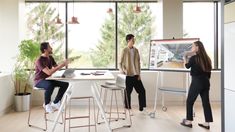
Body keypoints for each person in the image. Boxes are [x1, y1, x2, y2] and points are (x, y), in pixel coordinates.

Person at [180, 41, 213, 129]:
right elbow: (209, 72)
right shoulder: (207, 58)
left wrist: (185, 56)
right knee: (206, 102)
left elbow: (187, 66)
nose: (192, 48)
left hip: (197, 82)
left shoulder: (194, 58)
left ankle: (188, 121)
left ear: (197, 47)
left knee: (189, 101)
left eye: (193, 46)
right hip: (206, 82)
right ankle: (207, 123)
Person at [34, 42, 70, 113]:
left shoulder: (50, 57)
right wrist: (61, 65)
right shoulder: (39, 60)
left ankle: (56, 102)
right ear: (45, 50)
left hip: (48, 80)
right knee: (50, 85)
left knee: (65, 84)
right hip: (39, 81)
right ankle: (47, 104)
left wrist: (63, 64)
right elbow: (49, 72)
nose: (51, 48)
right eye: (50, 47)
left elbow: (56, 68)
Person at [119, 34, 147, 114]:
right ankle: (127, 109)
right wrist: (122, 71)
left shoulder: (136, 50)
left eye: (134, 40)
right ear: (128, 40)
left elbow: (138, 62)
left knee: (142, 91)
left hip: (136, 75)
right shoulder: (124, 50)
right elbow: (120, 63)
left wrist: (139, 74)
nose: (134, 41)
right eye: (132, 40)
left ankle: (142, 108)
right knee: (127, 92)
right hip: (128, 75)